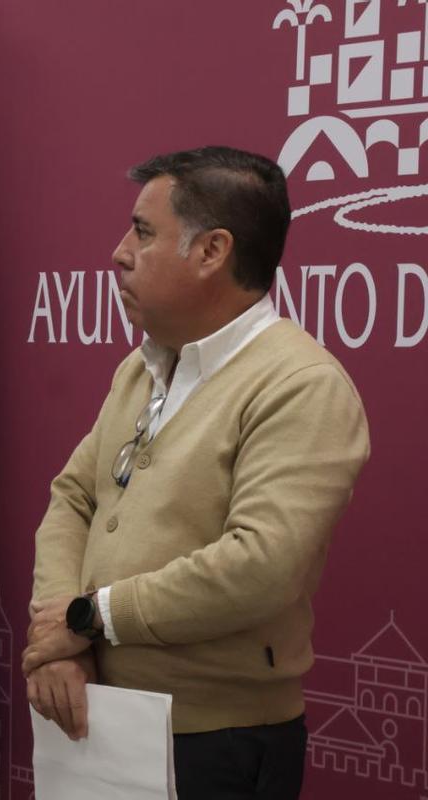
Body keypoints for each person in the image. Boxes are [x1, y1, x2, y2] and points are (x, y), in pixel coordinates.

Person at [20, 146, 369, 799]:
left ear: (212, 252)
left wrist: (89, 617)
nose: (119, 253)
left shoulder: (302, 385)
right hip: (96, 714)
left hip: (216, 745)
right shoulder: (143, 366)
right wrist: (64, 640)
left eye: (143, 232)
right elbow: (74, 498)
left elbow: (259, 567)